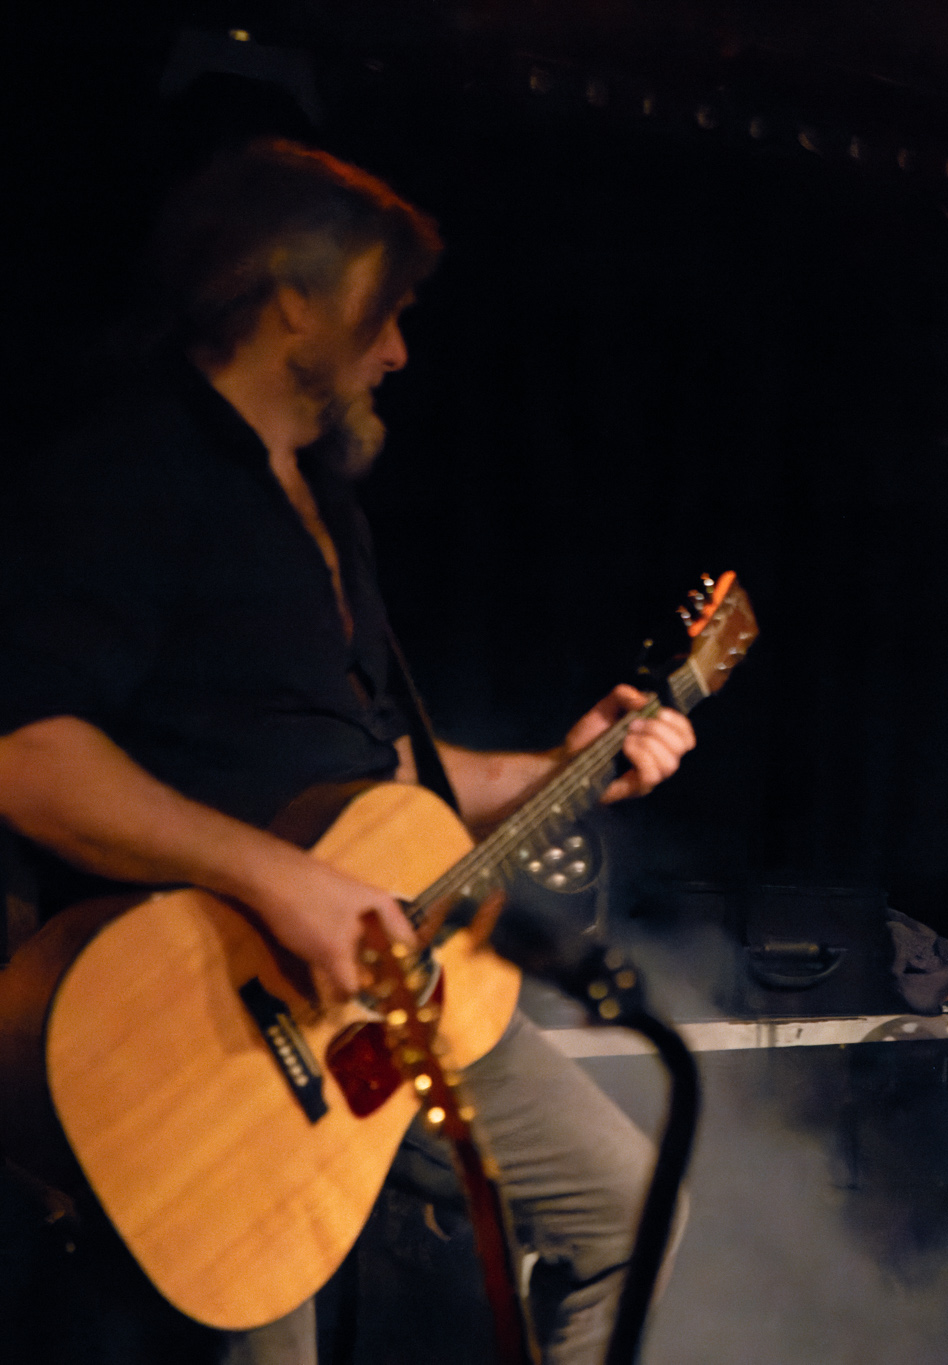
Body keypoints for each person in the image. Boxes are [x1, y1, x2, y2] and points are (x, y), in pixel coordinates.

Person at [0, 138, 693, 1362]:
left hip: (380, 998)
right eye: (386, 312)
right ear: (293, 300)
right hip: (201, 1028)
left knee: (630, 1208)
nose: (399, 352)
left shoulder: (327, 509)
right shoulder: (131, 474)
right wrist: (281, 881)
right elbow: (27, 754)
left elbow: (382, 789)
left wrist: (564, 766)